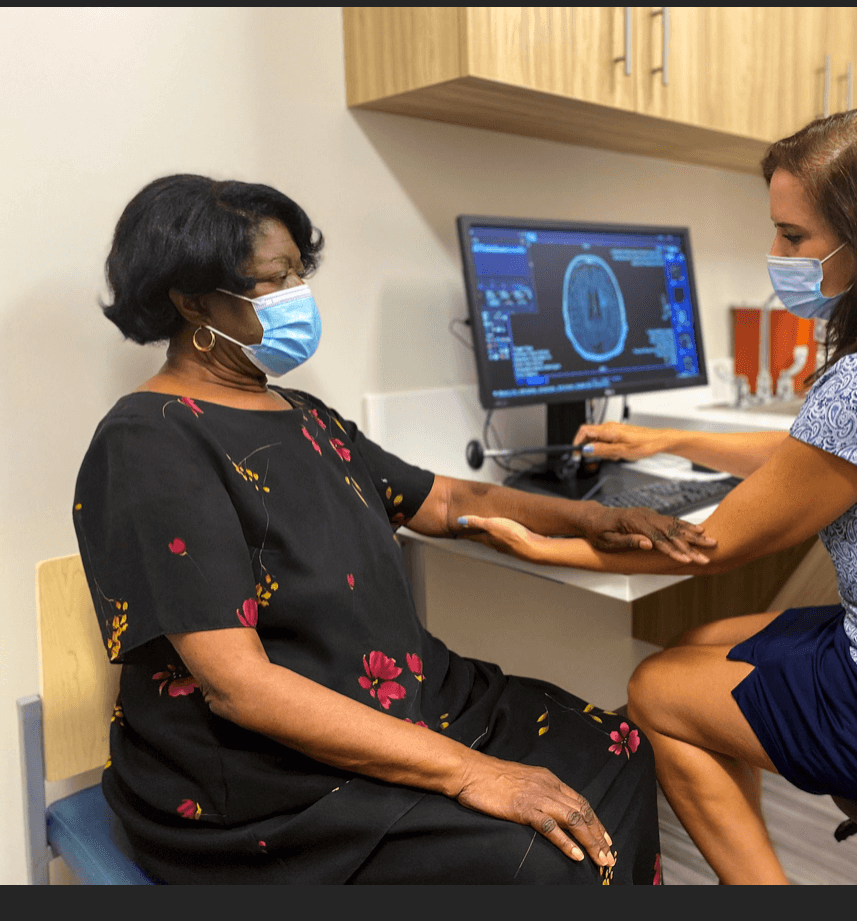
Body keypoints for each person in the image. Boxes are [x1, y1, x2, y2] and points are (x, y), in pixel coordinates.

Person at [460, 110, 857, 885]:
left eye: (793, 238)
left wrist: (550, 541)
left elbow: (714, 545)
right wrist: (665, 441)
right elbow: (817, 458)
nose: (775, 256)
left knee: (656, 689)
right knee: (697, 644)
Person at [73, 174, 715, 884]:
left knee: (620, 747)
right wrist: (473, 772)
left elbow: (444, 500)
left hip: (408, 700)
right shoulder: (148, 441)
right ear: (192, 298)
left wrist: (596, 516)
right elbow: (239, 688)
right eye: (271, 280)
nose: (297, 295)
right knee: (533, 857)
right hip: (262, 774)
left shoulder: (304, 413)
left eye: (297, 273)